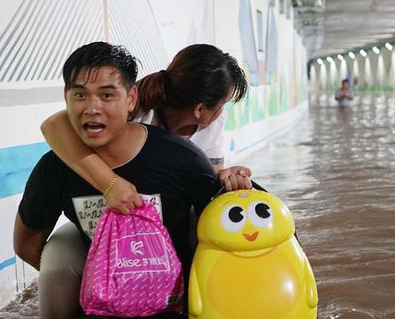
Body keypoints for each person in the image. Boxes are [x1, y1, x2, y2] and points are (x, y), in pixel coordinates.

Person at [13, 42, 226, 319]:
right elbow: (27, 244)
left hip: (174, 310)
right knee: (58, 256)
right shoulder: (54, 169)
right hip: (102, 311)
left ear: (130, 98)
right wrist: (103, 279)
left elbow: (223, 227)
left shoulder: (181, 158)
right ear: (66, 98)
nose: (92, 108)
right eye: (80, 95)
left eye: (107, 95)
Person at [41, 44, 252, 215]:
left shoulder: (213, 123)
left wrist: (227, 178)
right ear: (199, 109)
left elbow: (206, 181)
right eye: (222, 102)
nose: (222, 110)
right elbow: (53, 126)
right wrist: (110, 184)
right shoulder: (136, 107)